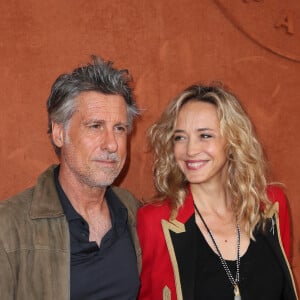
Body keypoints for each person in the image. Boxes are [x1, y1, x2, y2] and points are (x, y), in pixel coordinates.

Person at [137, 84, 298, 300]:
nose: (190, 150)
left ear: (232, 141)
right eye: (180, 137)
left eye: (205, 136)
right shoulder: (154, 221)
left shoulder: (271, 206)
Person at [0, 55, 141, 300]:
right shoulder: (8, 227)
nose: (111, 144)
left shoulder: (133, 211)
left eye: (119, 128)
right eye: (95, 126)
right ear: (59, 133)